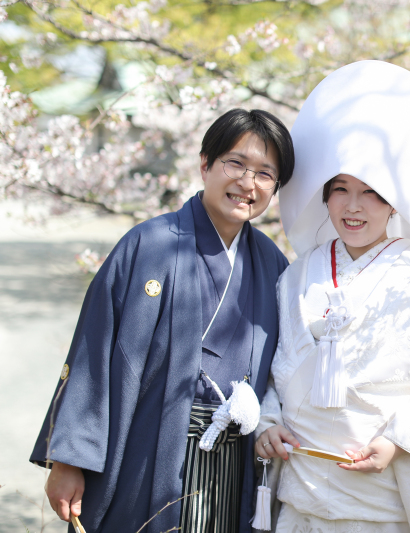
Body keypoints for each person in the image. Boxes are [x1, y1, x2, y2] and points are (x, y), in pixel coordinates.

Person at [30, 108, 294, 533]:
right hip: (149, 451)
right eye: (236, 164)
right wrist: (68, 460)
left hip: (234, 461)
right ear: (205, 164)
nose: (248, 183)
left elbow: (287, 367)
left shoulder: (273, 265)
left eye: (266, 174)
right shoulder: (149, 245)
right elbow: (94, 353)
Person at [254, 60, 410, 533]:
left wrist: (400, 442)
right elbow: (271, 366)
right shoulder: (298, 276)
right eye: (340, 190)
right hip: (302, 494)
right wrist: (267, 422)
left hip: (384, 503)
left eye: (371, 193)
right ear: (324, 198)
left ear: (393, 202)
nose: (353, 206)